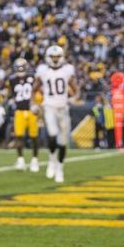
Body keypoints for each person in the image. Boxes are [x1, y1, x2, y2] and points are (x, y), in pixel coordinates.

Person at [35, 44, 77, 183]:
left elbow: (75, 89)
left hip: (63, 108)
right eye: (52, 57)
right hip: (49, 107)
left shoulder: (67, 70)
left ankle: (60, 168)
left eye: (57, 57)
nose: (54, 59)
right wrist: (33, 104)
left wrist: (74, 98)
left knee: (63, 141)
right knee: (52, 134)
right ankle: (52, 160)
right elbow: (34, 89)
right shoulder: (43, 71)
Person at [8, 58, 41, 171]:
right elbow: (12, 95)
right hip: (19, 111)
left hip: (32, 110)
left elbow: (38, 90)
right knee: (19, 136)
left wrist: (38, 105)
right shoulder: (12, 80)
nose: (20, 69)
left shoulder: (33, 77)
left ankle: (35, 160)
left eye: (22, 67)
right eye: (18, 67)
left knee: (34, 137)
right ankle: (21, 160)